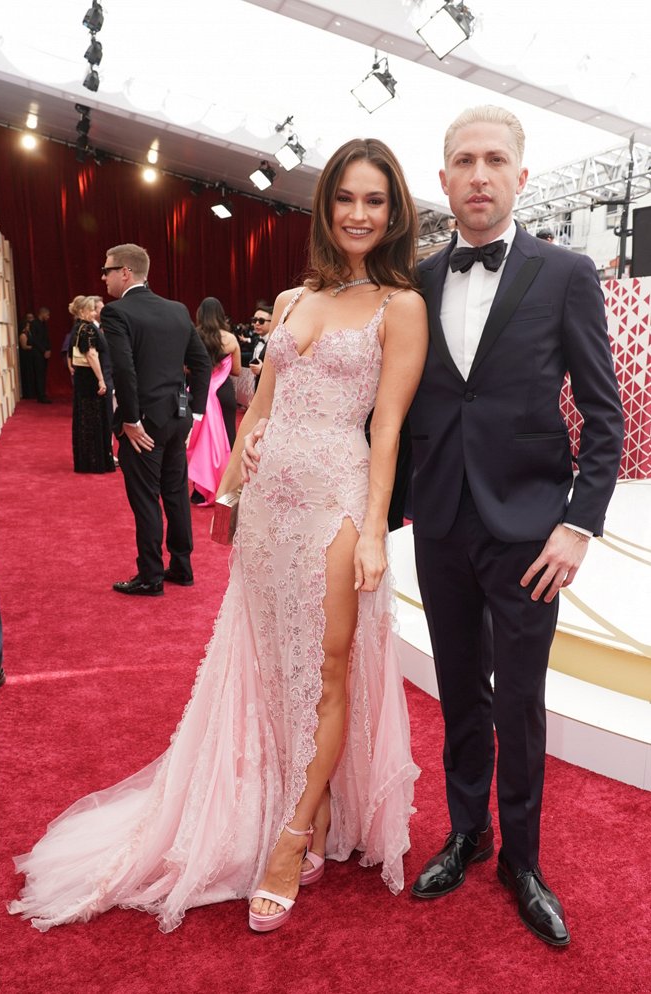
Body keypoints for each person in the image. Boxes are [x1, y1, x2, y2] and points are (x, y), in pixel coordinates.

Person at [8, 139, 428, 934]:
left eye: (375, 201)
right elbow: (258, 410)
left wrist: (374, 531)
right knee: (272, 655)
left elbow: (390, 430)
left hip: (338, 497)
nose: (359, 214)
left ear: (393, 211)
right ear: (326, 207)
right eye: (346, 198)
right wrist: (228, 495)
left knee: (328, 665)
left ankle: (295, 832)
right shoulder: (294, 297)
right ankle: (306, 792)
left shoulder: (399, 306)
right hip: (271, 501)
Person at [408, 106, 624, 946]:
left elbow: (603, 416)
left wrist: (580, 526)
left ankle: (521, 860)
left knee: (520, 702)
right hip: (440, 524)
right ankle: (468, 833)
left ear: (521, 176)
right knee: (459, 686)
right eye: (463, 160)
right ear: (443, 179)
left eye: (495, 160)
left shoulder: (566, 273)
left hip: (532, 531)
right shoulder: (418, 280)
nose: (479, 175)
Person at [97, 244, 211, 595]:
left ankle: (150, 576)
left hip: (144, 424)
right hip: (177, 418)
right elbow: (203, 363)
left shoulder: (117, 313)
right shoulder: (177, 310)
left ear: (125, 273)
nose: (104, 277)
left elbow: (124, 370)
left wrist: (130, 419)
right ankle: (182, 567)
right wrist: (194, 413)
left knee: (146, 498)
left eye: (107, 270)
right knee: (175, 494)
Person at [188, 296, 241, 507]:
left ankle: (200, 490)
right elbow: (237, 370)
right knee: (229, 438)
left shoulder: (194, 336)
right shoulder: (230, 339)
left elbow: (187, 367)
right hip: (224, 392)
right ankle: (228, 489)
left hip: (200, 393)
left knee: (200, 441)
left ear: (200, 314)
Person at [69, 296, 115, 475]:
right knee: (96, 419)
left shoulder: (77, 328)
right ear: (82, 311)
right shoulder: (88, 328)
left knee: (85, 419)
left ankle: (87, 460)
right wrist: (101, 380)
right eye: (92, 310)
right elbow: (91, 355)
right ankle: (96, 461)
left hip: (83, 380)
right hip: (91, 382)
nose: (96, 313)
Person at [28, 307, 52, 403]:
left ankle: (42, 394)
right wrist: (44, 351)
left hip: (44, 352)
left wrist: (49, 349)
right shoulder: (34, 324)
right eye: (47, 315)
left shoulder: (43, 324)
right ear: (42, 313)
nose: (48, 317)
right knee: (39, 374)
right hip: (38, 353)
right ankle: (40, 396)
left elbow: (46, 338)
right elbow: (35, 340)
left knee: (43, 374)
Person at [247, 303, 273, 391]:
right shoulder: (257, 340)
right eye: (254, 320)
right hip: (256, 389)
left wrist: (262, 371)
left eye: (261, 321)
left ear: (272, 322)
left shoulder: (277, 343)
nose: (257, 323)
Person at [17, 313, 36, 399]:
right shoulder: (23, 335)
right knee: (27, 374)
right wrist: (33, 347)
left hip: (30, 356)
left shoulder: (29, 334)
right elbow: (24, 346)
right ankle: (28, 393)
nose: (29, 327)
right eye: (27, 326)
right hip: (26, 357)